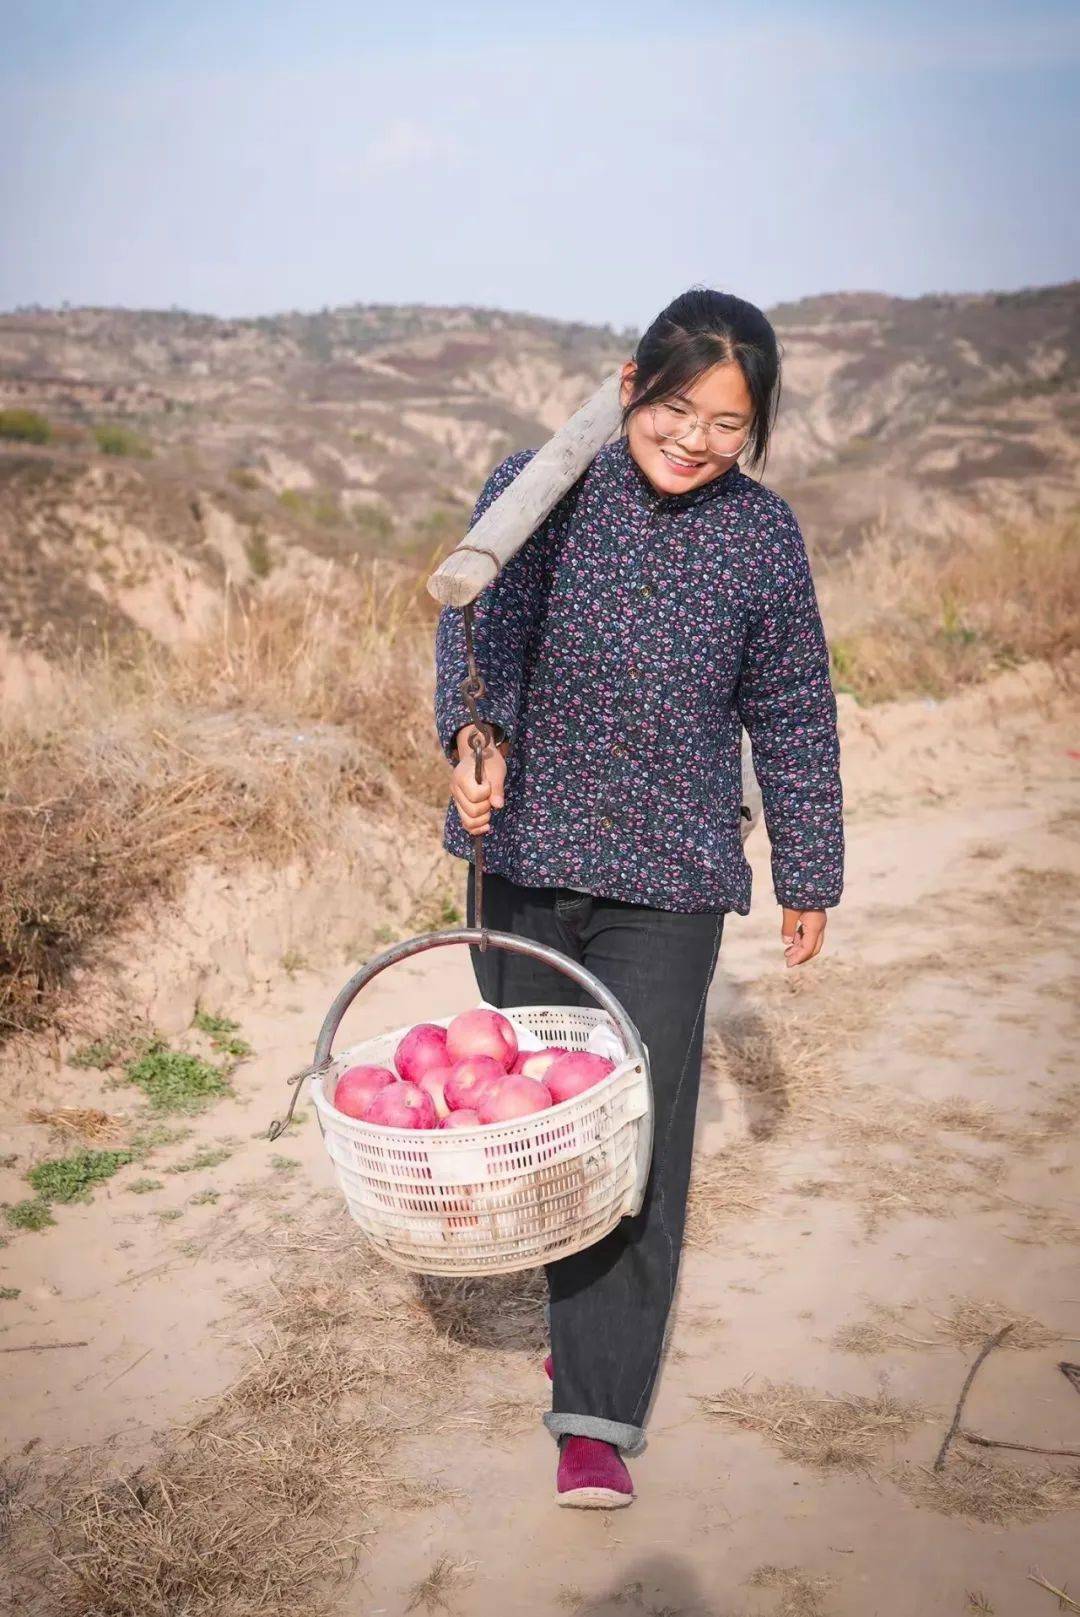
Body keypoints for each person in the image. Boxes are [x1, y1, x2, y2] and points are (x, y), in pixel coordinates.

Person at [432, 287, 844, 1508]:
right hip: (525, 854)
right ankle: (584, 1312)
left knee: (638, 1133)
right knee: (533, 1120)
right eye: (677, 408)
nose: (696, 440)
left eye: (729, 424)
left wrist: (809, 869)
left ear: (756, 432)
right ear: (629, 389)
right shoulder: (540, 487)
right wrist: (475, 735)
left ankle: (596, 1411)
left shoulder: (761, 538)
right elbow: (477, 639)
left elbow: (794, 709)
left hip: (668, 881)